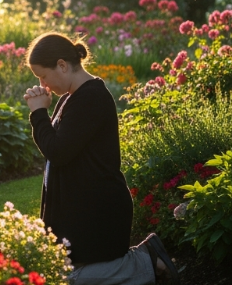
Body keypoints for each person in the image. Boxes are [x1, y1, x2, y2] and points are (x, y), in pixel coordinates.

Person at [22, 31, 180, 285]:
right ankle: (143, 261)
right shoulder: (70, 99)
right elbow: (58, 150)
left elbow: (58, 152)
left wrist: (39, 114)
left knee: (68, 279)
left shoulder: (91, 97)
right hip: (83, 212)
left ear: (62, 65)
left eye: (43, 76)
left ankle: (147, 260)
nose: (43, 84)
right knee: (56, 274)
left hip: (99, 213)